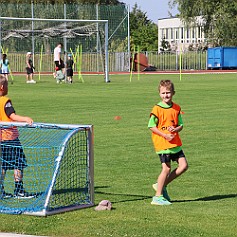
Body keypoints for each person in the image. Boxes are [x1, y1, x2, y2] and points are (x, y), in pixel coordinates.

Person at [148, 79, 188, 205]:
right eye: (163, 93)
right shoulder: (157, 109)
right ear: (159, 94)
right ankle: (157, 196)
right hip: (163, 144)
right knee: (166, 169)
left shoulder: (176, 108)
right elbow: (151, 126)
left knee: (184, 166)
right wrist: (164, 135)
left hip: (175, 143)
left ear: (173, 93)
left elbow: (180, 125)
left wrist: (175, 129)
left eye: (168, 93)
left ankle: (161, 184)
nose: (166, 95)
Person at [0, 75, 35, 199]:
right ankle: (19, 190)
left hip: (1, 140)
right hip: (10, 138)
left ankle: (1, 190)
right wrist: (25, 119)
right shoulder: (5, 101)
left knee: (3, 165)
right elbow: (12, 116)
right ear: (2, 87)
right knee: (18, 163)